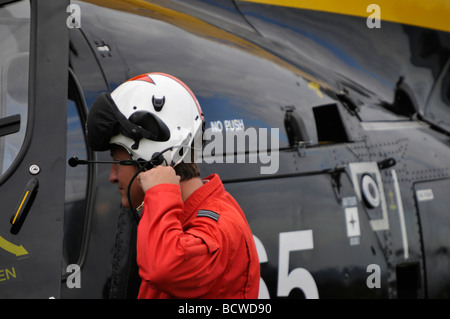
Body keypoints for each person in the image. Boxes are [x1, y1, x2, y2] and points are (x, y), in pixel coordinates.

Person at [86, 72, 260, 299]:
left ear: (152, 158)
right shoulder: (176, 220)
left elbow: (165, 269)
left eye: (118, 162)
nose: (112, 176)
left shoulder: (218, 228)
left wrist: (159, 192)